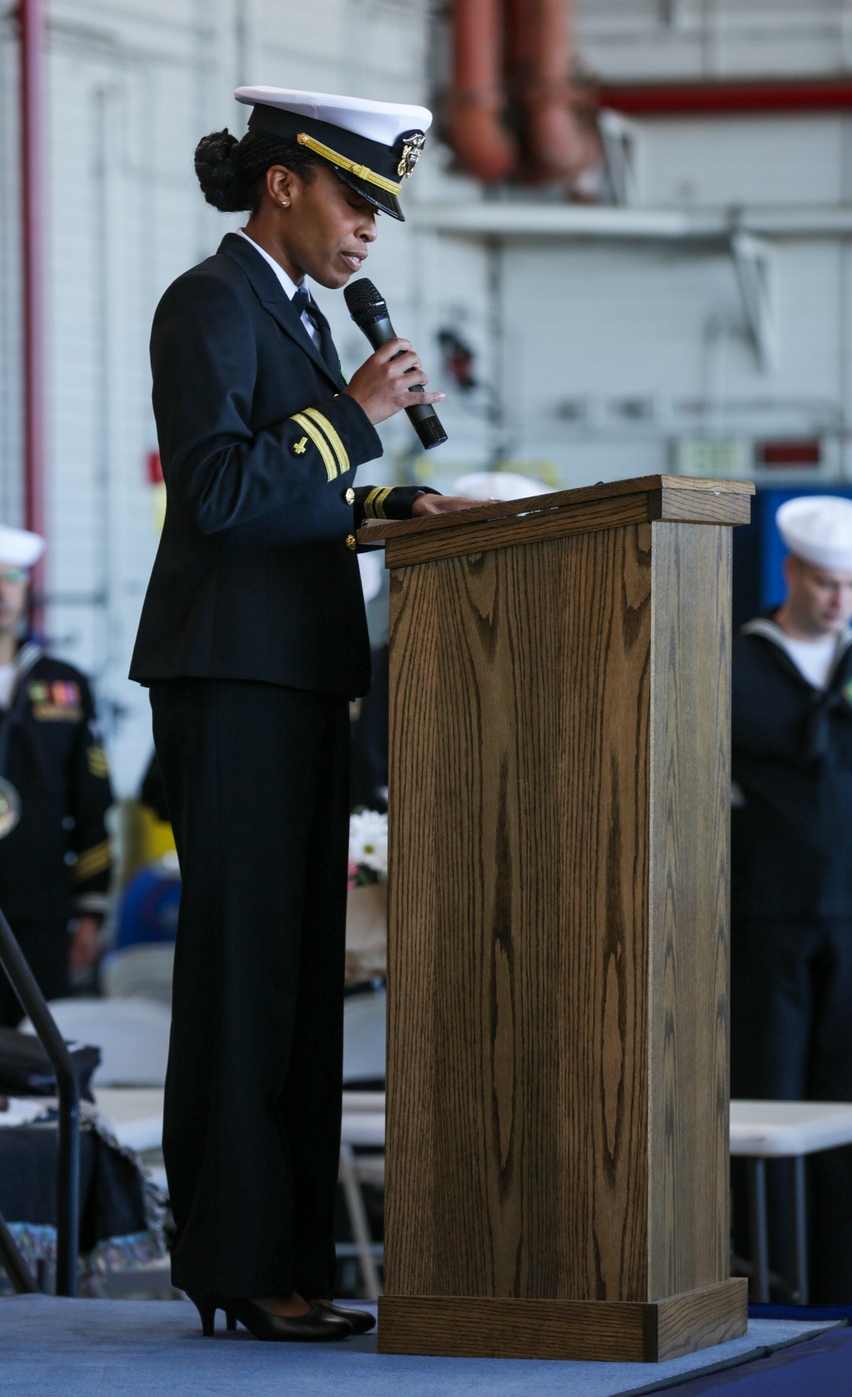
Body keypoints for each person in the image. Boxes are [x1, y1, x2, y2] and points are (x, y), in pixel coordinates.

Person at [129, 85, 477, 1342]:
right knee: (243, 978)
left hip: (291, 673)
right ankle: (234, 1264)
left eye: (382, 207)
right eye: (357, 197)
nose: (371, 229)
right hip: (232, 679)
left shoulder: (291, 316)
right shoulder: (209, 302)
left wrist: (389, 514)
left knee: (295, 982)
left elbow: (293, 503)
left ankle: (287, 1259)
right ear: (285, 184)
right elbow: (218, 497)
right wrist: (360, 419)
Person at [730, 495, 852, 1305]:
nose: (839, 599)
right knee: (767, 1108)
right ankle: (772, 1292)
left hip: (850, 911)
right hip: (762, 912)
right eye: (825, 584)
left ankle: (844, 1298)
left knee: (846, 1113)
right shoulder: (736, 661)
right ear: (791, 574)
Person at [0, 525, 113, 1024]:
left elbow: (93, 803)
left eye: (13, 577)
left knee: (41, 1054)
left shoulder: (64, 684)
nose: (2, 591)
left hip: (42, 908)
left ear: (27, 589)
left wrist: (90, 912)